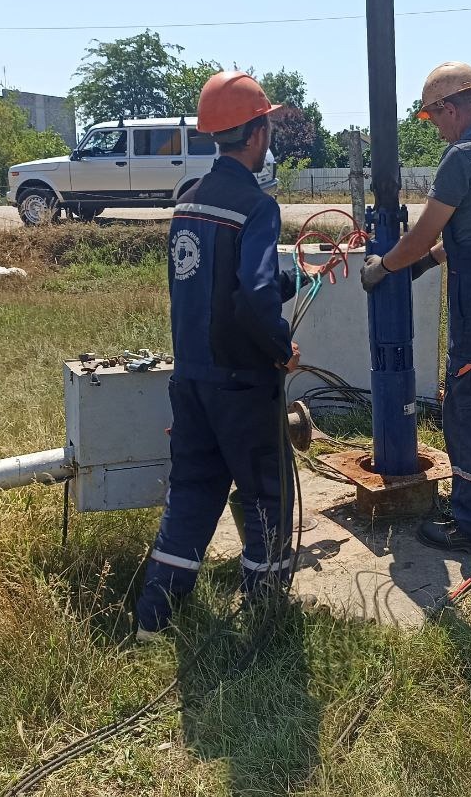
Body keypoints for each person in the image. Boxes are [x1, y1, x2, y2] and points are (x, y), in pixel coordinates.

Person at [135, 71, 322, 640]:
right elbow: (251, 297)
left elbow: (221, 286)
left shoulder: (188, 202)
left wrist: (299, 277)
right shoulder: (257, 207)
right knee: (268, 493)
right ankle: (263, 620)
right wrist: (281, 348)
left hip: (191, 380)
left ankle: (153, 622)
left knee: (193, 492)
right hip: (243, 384)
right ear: (258, 133)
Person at [360, 62, 471, 557]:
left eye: (433, 117)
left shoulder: (462, 156)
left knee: (467, 406)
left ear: (450, 107)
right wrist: (426, 265)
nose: (434, 127)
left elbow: (423, 234)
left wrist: (385, 267)